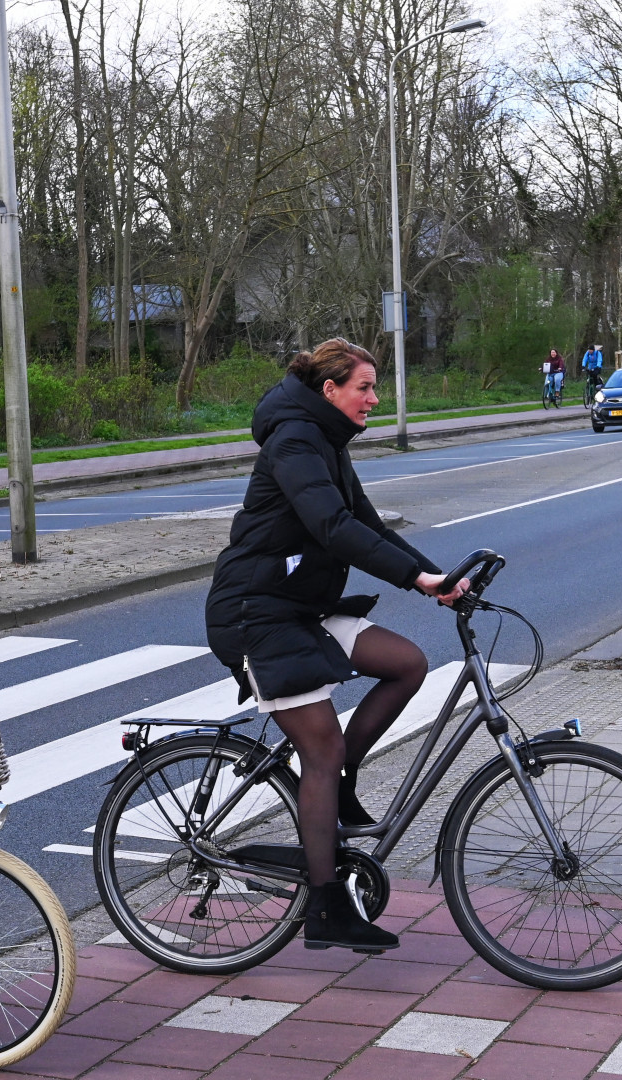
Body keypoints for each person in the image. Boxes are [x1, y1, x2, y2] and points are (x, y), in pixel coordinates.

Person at [205, 339, 466, 954]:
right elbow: (332, 527)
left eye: (376, 389)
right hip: (257, 613)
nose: (375, 399)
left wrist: (439, 581)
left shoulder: (325, 440)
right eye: (365, 388)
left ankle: (339, 776)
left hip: (301, 607)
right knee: (319, 752)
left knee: (406, 664)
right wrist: (417, 579)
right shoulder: (295, 441)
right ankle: (324, 906)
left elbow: (369, 525)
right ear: (330, 390)